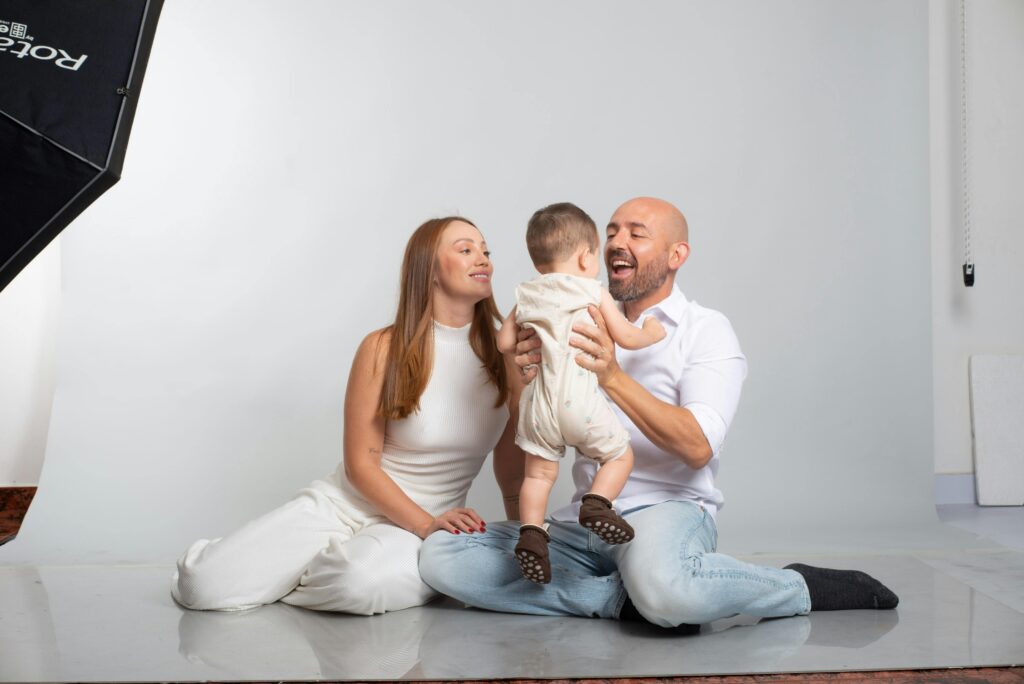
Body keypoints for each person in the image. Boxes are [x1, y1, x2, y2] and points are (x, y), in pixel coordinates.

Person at [420, 197, 899, 628]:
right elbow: (536, 428)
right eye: (611, 232)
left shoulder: (705, 330)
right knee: (441, 556)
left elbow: (698, 446)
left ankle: (796, 586)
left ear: (676, 255)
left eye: (636, 234)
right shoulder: (569, 312)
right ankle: (622, 599)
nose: (617, 243)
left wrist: (612, 375)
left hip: (665, 512)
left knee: (668, 590)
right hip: (583, 522)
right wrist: (524, 371)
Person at [171, 216, 525, 615]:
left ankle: (299, 576)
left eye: (485, 251)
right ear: (429, 268)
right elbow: (361, 465)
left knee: (358, 585)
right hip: (345, 504)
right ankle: (291, 569)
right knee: (202, 585)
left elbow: (513, 475)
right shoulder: (382, 347)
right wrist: (424, 524)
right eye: (466, 250)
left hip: (425, 526)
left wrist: (526, 543)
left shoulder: (507, 356)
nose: (483, 259)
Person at [495, 202, 665, 584]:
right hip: (581, 404)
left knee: (537, 476)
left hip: (538, 408)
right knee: (619, 455)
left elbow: (504, 342)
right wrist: (651, 333)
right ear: (587, 257)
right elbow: (626, 336)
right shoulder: (591, 290)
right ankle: (597, 504)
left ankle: (532, 534)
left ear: (537, 262)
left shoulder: (526, 295)